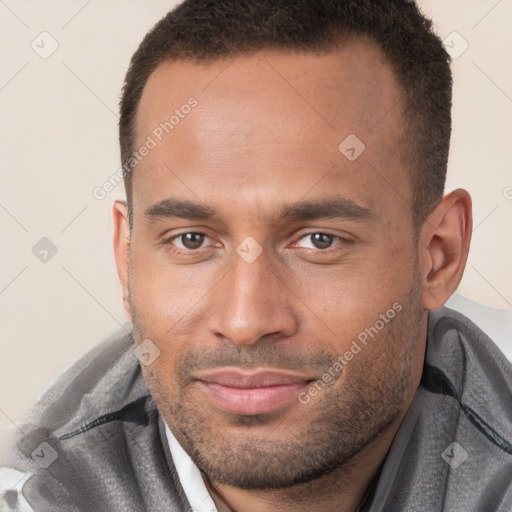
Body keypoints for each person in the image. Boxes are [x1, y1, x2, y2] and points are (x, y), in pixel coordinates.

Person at [2, 0, 511, 510]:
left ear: (439, 255)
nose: (245, 322)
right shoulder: (36, 492)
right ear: (126, 257)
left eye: (319, 240)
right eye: (192, 240)